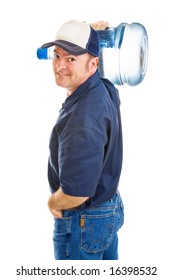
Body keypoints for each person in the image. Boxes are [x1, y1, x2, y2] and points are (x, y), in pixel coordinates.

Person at [40, 19, 124, 260]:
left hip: (83, 221)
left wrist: (54, 204)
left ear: (92, 64)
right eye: (57, 56)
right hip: (108, 207)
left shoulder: (80, 122)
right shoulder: (103, 89)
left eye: (71, 59)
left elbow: (77, 193)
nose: (60, 66)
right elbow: (92, 64)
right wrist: (93, 39)